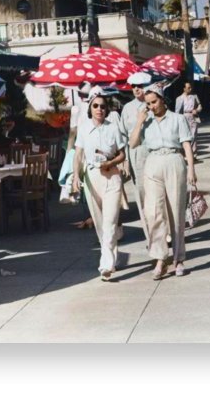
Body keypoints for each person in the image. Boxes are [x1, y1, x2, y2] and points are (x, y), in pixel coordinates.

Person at [131, 84, 197, 279]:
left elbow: (186, 144)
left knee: (176, 211)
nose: (151, 106)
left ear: (162, 99)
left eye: (154, 102)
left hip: (174, 160)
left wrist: (192, 169)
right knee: (153, 212)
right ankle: (160, 258)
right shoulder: (146, 122)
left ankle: (179, 258)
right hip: (153, 162)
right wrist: (139, 122)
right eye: (148, 103)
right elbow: (133, 143)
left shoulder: (178, 119)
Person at [70, 91, 127, 282]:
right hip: (92, 177)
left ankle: (106, 265)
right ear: (90, 108)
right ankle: (112, 256)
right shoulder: (84, 128)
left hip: (111, 176)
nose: (99, 109)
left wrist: (111, 163)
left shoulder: (113, 128)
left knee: (110, 221)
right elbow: (78, 155)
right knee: (100, 223)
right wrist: (76, 176)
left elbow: (122, 154)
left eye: (103, 106)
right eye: (96, 106)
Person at [121, 71, 153, 235]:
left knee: (156, 193)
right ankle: (149, 234)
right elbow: (123, 135)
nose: (136, 89)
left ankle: (164, 230)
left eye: (139, 86)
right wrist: (125, 159)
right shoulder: (127, 108)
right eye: (133, 86)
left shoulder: (153, 104)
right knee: (140, 194)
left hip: (152, 152)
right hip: (135, 154)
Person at [66, 81, 94, 230]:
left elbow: (72, 132)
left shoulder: (76, 109)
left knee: (82, 184)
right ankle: (92, 216)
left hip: (80, 150)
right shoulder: (95, 107)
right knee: (91, 183)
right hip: (93, 149)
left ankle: (88, 217)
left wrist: (68, 152)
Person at [175, 81, 203, 152]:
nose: (190, 89)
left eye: (191, 87)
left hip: (193, 117)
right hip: (184, 117)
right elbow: (177, 111)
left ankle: (193, 154)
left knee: (193, 136)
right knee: (185, 136)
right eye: (188, 88)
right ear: (184, 89)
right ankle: (186, 152)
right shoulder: (179, 98)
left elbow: (200, 106)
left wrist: (197, 110)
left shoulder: (194, 96)